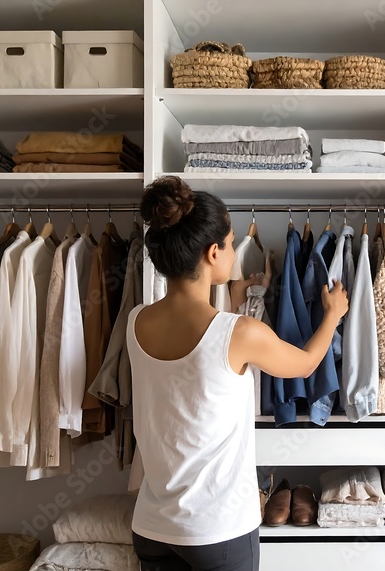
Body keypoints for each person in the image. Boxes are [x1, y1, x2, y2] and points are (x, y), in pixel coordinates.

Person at [129, 176, 348, 571]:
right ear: (213, 253)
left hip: (153, 528)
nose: (232, 251)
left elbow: (203, 365)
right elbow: (306, 363)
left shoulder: (136, 323)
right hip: (218, 531)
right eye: (230, 244)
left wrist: (232, 301)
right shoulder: (241, 334)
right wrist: (332, 315)